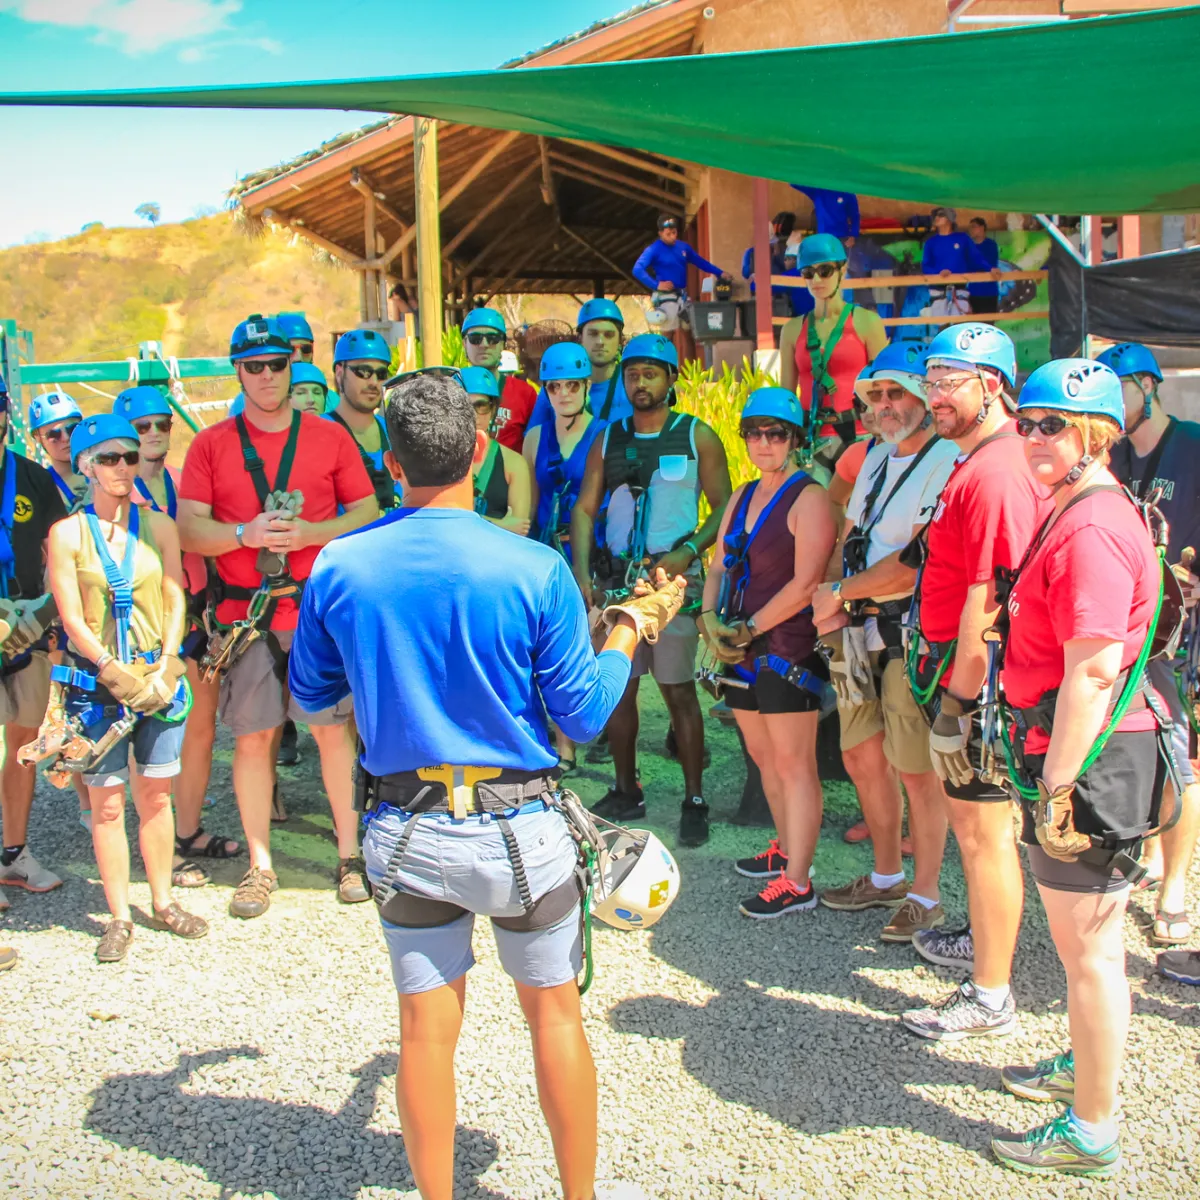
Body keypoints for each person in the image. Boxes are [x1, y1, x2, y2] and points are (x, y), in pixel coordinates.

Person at [287, 369, 683, 1200]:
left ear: (390, 465)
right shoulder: (534, 567)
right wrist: (630, 631)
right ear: (478, 452)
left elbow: (314, 699)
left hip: (405, 825)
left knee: (426, 1035)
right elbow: (580, 717)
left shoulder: (340, 566)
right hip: (522, 830)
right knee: (554, 1017)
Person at [988, 359, 1168, 1176]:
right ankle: (1083, 1070)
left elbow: (1094, 669)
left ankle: (1092, 1130)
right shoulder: (1082, 502)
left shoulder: (1092, 523)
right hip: (1082, 746)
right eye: (1024, 421)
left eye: (1052, 424)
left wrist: (1058, 786)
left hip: (1092, 755)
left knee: (1091, 949)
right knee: (1079, 947)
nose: (1032, 437)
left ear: (1096, 430)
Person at [178, 315, 379, 918]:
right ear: (237, 371)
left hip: (315, 612)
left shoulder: (328, 437)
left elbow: (367, 511)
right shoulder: (212, 444)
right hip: (250, 616)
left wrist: (312, 531)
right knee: (254, 737)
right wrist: (245, 532)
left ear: (292, 368)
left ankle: (350, 857)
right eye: (253, 367)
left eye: (277, 365)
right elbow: (189, 527)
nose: (267, 376)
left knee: (331, 732)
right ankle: (260, 866)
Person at [899, 323, 1050, 1041]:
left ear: (994, 385)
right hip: (967, 677)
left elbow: (988, 603)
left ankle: (991, 995)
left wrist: (958, 702)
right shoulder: (979, 459)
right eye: (930, 381)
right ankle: (986, 946)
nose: (935, 397)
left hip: (980, 685)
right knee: (978, 829)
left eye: (949, 382)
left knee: (985, 832)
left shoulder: (993, 470)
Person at [43, 413, 206, 961]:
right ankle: (117, 915)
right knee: (108, 804)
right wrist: (113, 671)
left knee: (156, 796)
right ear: (85, 465)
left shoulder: (157, 526)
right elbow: (72, 619)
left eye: (129, 457)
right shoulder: (68, 534)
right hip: (98, 683)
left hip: (155, 678)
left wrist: (166, 663)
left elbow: (175, 594)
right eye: (109, 458)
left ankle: (162, 901)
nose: (121, 468)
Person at [810, 343, 958, 941]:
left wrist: (837, 592)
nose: (887, 404)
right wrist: (834, 603)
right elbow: (853, 531)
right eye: (878, 394)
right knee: (859, 752)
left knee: (915, 766)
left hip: (905, 632)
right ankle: (886, 874)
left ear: (924, 398)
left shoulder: (946, 457)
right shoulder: (874, 454)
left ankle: (926, 894)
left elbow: (913, 564)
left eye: (899, 393)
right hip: (853, 625)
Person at [571, 334, 733, 846]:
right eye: (632, 374)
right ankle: (626, 789)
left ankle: (694, 797)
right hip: (618, 580)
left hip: (671, 584)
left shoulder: (696, 436)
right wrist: (581, 574)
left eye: (651, 373)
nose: (640, 383)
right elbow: (584, 507)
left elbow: (725, 510)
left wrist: (687, 551)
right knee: (618, 691)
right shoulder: (608, 437)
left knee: (680, 692)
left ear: (672, 380)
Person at [699, 388, 835, 917]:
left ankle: (798, 881)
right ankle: (785, 849)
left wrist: (747, 628)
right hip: (739, 646)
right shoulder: (741, 495)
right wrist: (711, 621)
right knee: (763, 758)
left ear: (794, 439)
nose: (763, 442)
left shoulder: (810, 498)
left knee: (794, 763)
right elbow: (717, 568)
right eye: (753, 432)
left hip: (785, 647)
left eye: (775, 433)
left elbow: (805, 585)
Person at [112, 386, 242, 885]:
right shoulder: (110, 498)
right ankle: (156, 848)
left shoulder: (182, 483)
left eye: (161, 424)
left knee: (200, 730)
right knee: (146, 741)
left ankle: (186, 830)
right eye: (141, 427)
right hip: (138, 629)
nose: (153, 434)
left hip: (192, 619)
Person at [1099, 341, 1200, 956]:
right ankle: (1151, 861)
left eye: (1120, 393)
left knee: (1180, 759)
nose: (1111, 409)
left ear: (1149, 385)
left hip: (1186, 636)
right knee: (1135, 753)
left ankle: (1177, 889)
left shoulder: (1192, 445)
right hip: (1130, 633)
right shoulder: (1108, 458)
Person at [0, 375, 67, 927]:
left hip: (25, 631)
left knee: (22, 745)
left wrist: (46, 617)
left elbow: (62, 547)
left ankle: (14, 852)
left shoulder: (32, 478)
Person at [525, 343, 607, 775]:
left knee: (585, 646)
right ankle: (562, 746)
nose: (563, 393)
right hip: (545, 549)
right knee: (545, 647)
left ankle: (583, 729)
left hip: (586, 550)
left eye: (572, 385)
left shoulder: (605, 432)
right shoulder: (535, 437)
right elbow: (530, 499)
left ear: (585, 386)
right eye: (554, 386)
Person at [779, 234, 887, 469]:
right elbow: (786, 395)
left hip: (860, 436)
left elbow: (883, 387)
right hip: (810, 440)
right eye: (808, 272)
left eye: (825, 270)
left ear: (842, 270)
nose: (816, 279)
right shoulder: (792, 329)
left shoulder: (867, 322)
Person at [528, 299, 633, 431]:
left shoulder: (632, 384)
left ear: (620, 342)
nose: (600, 342)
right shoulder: (556, 384)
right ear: (580, 339)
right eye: (593, 334)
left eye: (609, 335)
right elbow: (533, 439)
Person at [328, 329, 403, 513]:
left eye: (381, 373)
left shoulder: (395, 432)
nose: (374, 382)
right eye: (363, 372)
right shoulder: (318, 433)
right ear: (340, 373)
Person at [461, 366, 531, 535]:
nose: (473, 414)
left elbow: (520, 530)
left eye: (481, 406)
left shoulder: (513, 463)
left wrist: (467, 519)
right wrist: (501, 525)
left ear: (493, 409)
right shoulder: (440, 458)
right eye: (465, 406)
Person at [632, 215, 728, 334]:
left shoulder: (683, 247)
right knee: (668, 332)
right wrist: (656, 285)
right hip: (665, 296)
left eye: (674, 232)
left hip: (682, 295)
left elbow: (700, 262)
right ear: (660, 233)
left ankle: (689, 354)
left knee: (689, 330)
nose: (672, 236)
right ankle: (666, 353)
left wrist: (719, 273)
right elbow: (637, 269)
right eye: (668, 234)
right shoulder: (653, 249)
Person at [461, 308, 538, 453]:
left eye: (493, 338)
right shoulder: (451, 389)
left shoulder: (525, 394)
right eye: (475, 339)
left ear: (503, 344)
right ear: (465, 343)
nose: (484, 344)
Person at [921, 207, 992, 312]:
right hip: (937, 291)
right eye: (936, 215)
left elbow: (976, 257)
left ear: (949, 219)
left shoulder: (963, 238)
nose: (937, 217)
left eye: (941, 215)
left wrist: (991, 268)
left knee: (959, 325)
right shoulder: (930, 242)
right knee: (942, 326)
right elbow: (925, 265)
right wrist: (939, 273)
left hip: (960, 290)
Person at [28, 391, 87, 511]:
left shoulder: (110, 465)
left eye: (72, 429)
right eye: (54, 434)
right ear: (38, 438)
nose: (66, 438)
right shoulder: (39, 487)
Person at [790, 184, 861, 242]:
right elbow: (794, 184)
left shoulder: (847, 193)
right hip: (823, 237)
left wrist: (853, 235)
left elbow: (855, 216)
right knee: (825, 259)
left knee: (840, 259)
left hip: (842, 237)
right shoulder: (818, 191)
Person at [966, 218, 1001, 316]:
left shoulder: (991, 245)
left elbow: (989, 264)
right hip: (973, 292)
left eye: (973, 227)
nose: (971, 230)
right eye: (970, 228)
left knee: (988, 324)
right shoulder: (969, 247)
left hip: (989, 292)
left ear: (982, 228)